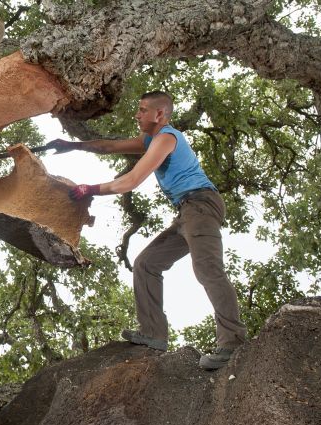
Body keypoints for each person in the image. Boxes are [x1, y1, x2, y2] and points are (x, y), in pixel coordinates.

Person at [52, 91, 247, 370]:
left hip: (201, 204)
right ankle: (153, 334)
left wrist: (90, 189)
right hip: (186, 210)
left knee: (207, 268)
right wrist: (72, 144)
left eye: (143, 110)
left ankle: (233, 342)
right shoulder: (149, 139)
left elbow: (130, 181)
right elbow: (109, 146)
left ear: (160, 114)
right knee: (146, 264)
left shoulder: (166, 138)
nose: (137, 114)